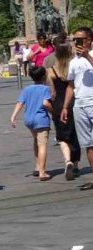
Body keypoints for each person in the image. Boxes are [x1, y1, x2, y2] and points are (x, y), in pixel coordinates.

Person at [45, 35, 82, 179]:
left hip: (59, 104)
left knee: (62, 136)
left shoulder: (51, 69)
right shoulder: (75, 64)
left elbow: (51, 92)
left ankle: (67, 161)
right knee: (75, 134)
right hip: (75, 101)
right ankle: (77, 163)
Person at [62, 27, 93, 191]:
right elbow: (71, 85)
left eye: (80, 39)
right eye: (75, 40)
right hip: (80, 104)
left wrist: (88, 55)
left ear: (89, 39)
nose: (77, 43)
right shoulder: (74, 62)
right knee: (88, 143)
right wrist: (66, 106)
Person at [11, 66, 54, 181]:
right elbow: (45, 103)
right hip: (41, 119)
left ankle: (37, 166)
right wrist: (53, 112)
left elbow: (20, 102)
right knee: (42, 145)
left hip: (29, 119)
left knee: (36, 141)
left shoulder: (27, 89)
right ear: (44, 76)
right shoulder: (45, 89)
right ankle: (42, 172)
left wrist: (14, 116)